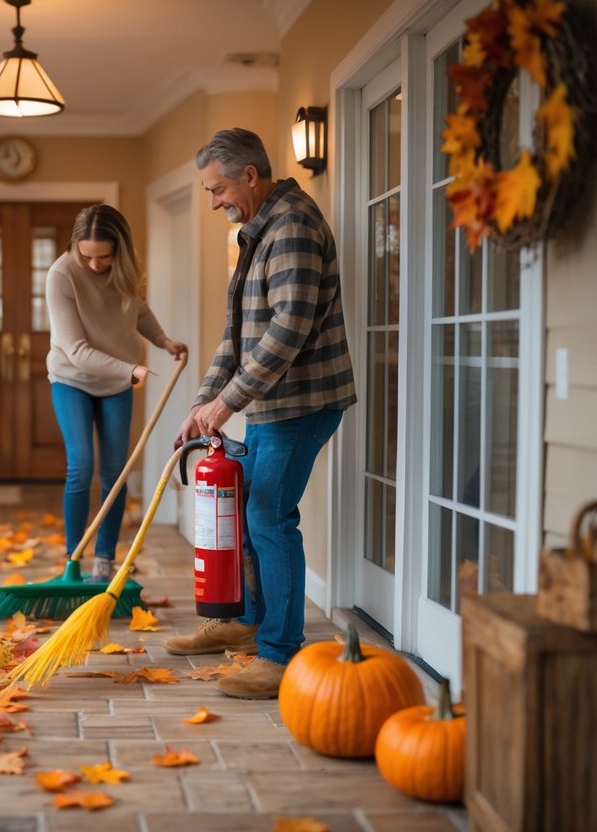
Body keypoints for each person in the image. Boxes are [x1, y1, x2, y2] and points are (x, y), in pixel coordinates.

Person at [166, 128, 357, 700]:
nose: (214, 201)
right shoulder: (260, 231)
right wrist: (204, 403)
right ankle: (247, 621)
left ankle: (280, 652)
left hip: (302, 402)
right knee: (251, 510)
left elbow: (288, 329)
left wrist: (228, 403)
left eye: (218, 188)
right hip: (271, 401)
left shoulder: (293, 225)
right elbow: (237, 335)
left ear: (251, 176)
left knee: (270, 517)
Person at [46, 204, 187, 581]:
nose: (94, 265)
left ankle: (106, 559)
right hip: (71, 379)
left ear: (119, 250)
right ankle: (73, 560)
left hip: (117, 384)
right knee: (81, 467)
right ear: (75, 246)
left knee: (115, 472)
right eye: (86, 256)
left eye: (104, 257)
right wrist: (133, 369)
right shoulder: (61, 274)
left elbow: (137, 310)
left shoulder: (127, 270)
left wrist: (163, 340)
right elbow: (76, 351)